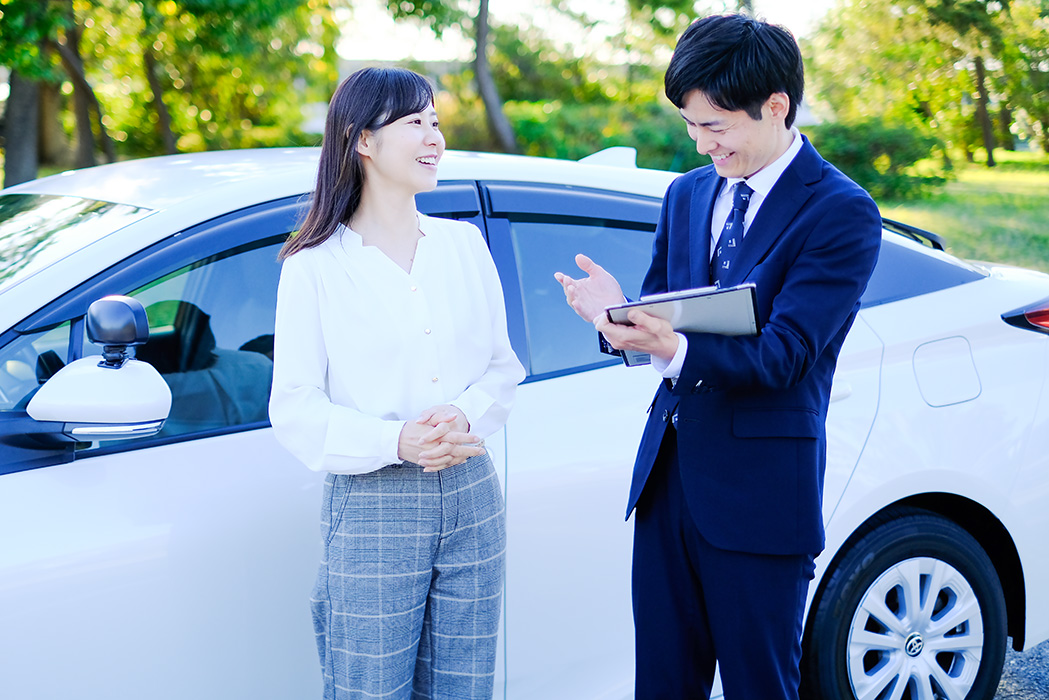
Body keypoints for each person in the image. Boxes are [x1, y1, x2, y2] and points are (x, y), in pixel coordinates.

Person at [555, 14, 882, 700]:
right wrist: (614, 320)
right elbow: (661, 313)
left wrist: (672, 346)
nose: (702, 145)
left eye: (716, 127)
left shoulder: (839, 211)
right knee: (662, 688)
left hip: (761, 498)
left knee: (759, 688)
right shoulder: (685, 194)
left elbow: (786, 354)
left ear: (775, 107)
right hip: (668, 483)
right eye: (691, 126)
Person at [268, 67, 525, 700]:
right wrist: (397, 441)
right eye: (415, 123)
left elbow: (503, 367)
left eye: (435, 122)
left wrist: (464, 415)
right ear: (361, 140)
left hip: (472, 491)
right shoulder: (315, 267)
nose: (434, 137)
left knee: (464, 689)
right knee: (369, 691)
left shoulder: (464, 245)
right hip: (373, 501)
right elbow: (295, 407)